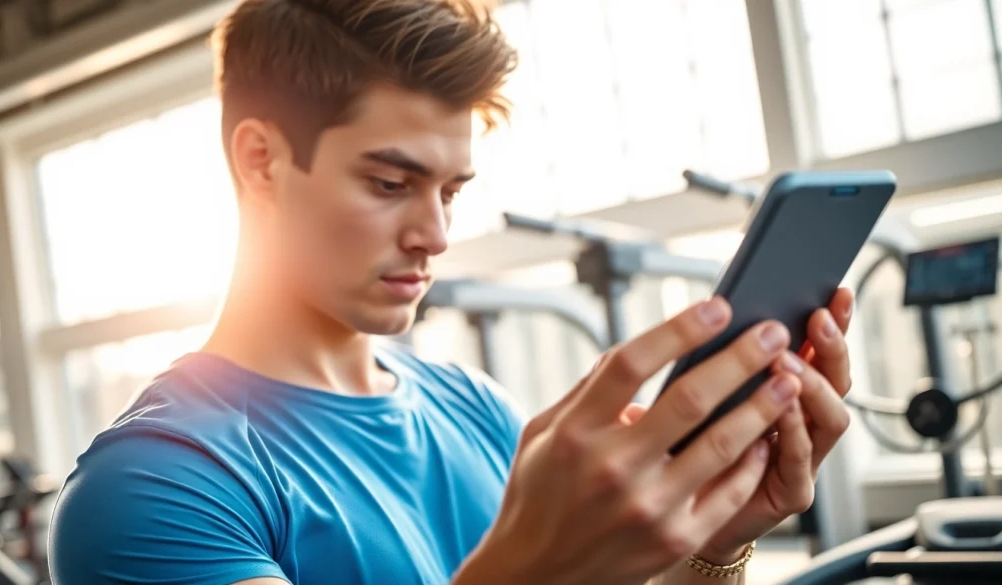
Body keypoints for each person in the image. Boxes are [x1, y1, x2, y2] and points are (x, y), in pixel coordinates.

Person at [47, 1, 856, 584]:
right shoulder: (149, 491)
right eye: (392, 181)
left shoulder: (479, 408)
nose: (435, 234)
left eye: (451, 192)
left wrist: (714, 548)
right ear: (261, 161)